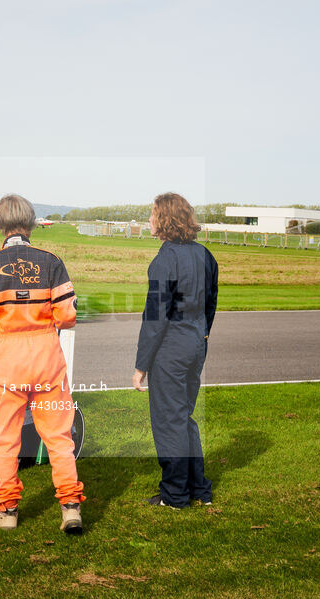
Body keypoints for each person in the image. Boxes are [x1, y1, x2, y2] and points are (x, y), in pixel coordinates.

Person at [0, 194, 85, 533]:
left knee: (5, 439)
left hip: (8, 362)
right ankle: (70, 507)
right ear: (32, 223)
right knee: (58, 437)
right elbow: (67, 316)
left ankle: (7, 511)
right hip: (47, 359)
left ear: (0, 224)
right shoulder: (51, 261)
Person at [133, 192, 218, 509]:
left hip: (172, 348)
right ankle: (199, 489)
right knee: (184, 418)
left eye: (152, 214)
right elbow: (211, 302)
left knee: (169, 422)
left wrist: (141, 365)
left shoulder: (165, 259)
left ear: (164, 220)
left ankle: (175, 495)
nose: (149, 221)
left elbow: (155, 319)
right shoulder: (205, 255)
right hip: (196, 344)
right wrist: (202, 335)